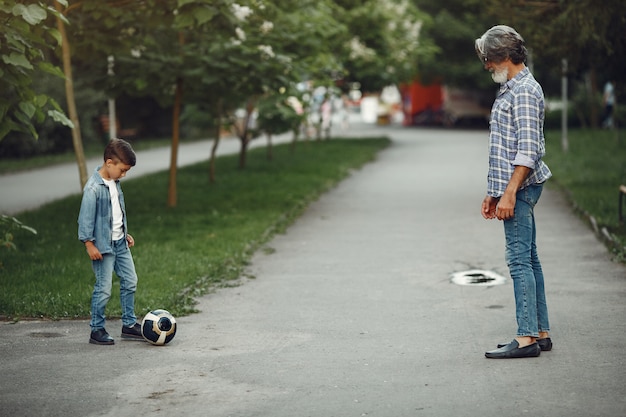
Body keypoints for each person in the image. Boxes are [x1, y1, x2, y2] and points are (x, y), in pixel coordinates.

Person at [475, 25, 553, 359]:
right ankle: (540, 332)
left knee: (518, 260)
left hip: (520, 188)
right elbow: (504, 147)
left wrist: (508, 194)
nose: (487, 66)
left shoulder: (522, 91)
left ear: (504, 56)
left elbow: (527, 150)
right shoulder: (512, 88)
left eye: (489, 59)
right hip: (512, 187)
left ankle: (525, 340)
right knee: (530, 258)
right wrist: (493, 192)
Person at [78, 138, 143, 345]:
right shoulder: (93, 189)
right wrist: (89, 244)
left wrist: (125, 233)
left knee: (130, 280)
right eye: (122, 170)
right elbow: (85, 219)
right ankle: (96, 329)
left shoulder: (115, 182)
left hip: (120, 243)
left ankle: (129, 324)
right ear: (109, 163)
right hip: (102, 247)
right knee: (104, 289)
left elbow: (116, 213)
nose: (123, 175)